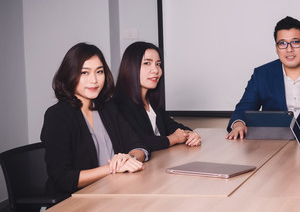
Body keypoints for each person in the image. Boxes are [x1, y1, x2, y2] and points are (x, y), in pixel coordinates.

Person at [41, 43, 149, 195]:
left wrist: (129, 158)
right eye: (84, 73)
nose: (94, 80)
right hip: (75, 201)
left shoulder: (107, 107)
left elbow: (138, 146)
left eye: (99, 72)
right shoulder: (57, 116)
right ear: (69, 75)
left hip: (114, 190)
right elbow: (63, 179)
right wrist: (113, 168)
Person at [114, 41, 201, 152]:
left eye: (158, 64)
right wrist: (174, 139)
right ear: (131, 67)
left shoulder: (151, 101)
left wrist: (190, 134)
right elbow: (139, 142)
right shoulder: (119, 104)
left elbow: (172, 126)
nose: (156, 70)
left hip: (160, 162)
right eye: (147, 63)